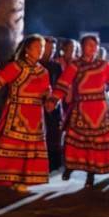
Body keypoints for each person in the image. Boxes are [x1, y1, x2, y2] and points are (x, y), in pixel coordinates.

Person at [0, 34, 51, 192]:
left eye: (42, 48)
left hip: (35, 117)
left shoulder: (44, 71)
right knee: (3, 146)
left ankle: (21, 180)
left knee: (27, 152)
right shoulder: (16, 67)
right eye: (37, 47)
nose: (41, 50)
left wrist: (51, 98)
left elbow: (46, 94)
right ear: (27, 50)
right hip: (16, 114)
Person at [48, 35, 109, 189]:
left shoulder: (104, 65)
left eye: (95, 45)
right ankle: (70, 167)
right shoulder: (75, 65)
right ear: (82, 47)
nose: (93, 48)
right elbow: (63, 84)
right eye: (89, 45)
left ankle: (91, 175)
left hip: (100, 110)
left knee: (94, 145)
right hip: (82, 108)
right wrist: (53, 100)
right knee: (74, 141)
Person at [40, 36, 64, 172]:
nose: (50, 51)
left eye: (53, 48)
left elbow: (61, 85)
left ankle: (54, 163)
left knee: (55, 133)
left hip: (54, 103)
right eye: (48, 48)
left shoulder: (56, 66)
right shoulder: (37, 66)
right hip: (39, 104)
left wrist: (55, 100)